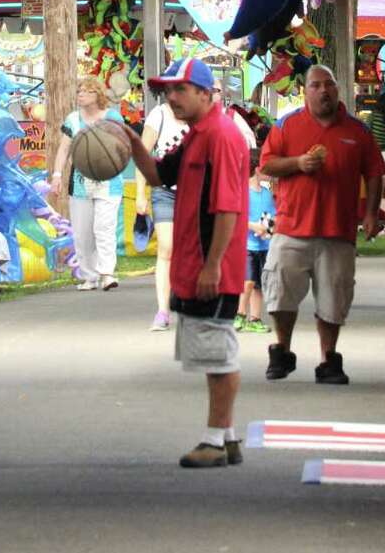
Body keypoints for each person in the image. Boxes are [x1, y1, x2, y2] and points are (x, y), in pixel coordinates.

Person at [125, 56, 249, 469]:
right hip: (195, 264)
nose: (171, 97)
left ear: (204, 92)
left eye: (179, 89)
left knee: (218, 353)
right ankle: (227, 438)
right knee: (210, 349)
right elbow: (159, 175)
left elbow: (228, 208)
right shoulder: (196, 134)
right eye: (167, 91)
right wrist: (128, 140)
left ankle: (214, 440)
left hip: (212, 267)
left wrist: (213, 265)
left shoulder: (221, 135)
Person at [258, 63, 385, 385]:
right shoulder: (287, 125)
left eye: (329, 84)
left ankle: (329, 359)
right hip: (291, 228)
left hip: (337, 231)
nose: (323, 90)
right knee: (281, 293)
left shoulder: (358, 131)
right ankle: (281, 350)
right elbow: (268, 164)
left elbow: (374, 173)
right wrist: (299, 163)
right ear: (305, 92)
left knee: (334, 298)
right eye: (316, 85)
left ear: (337, 90)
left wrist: (370, 213)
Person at [51, 75, 126, 292]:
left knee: (104, 227)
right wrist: (57, 175)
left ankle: (107, 273)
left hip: (108, 181)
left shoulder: (112, 117)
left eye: (86, 91)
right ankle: (89, 276)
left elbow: (122, 144)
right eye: (79, 91)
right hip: (81, 181)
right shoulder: (73, 120)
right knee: (83, 232)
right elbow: (64, 149)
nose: (80, 94)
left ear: (97, 95)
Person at [134, 89, 188, 329]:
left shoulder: (201, 115)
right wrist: (139, 194)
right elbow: (142, 154)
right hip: (164, 190)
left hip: (195, 192)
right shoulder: (160, 114)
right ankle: (163, 311)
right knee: (166, 247)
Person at [239, 153, 274, 331]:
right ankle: (240, 314)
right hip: (247, 246)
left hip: (263, 245)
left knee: (258, 284)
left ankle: (255, 319)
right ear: (258, 169)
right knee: (248, 281)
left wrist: (268, 229)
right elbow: (237, 217)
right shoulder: (242, 192)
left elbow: (272, 217)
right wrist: (253, 227)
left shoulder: (267, 193)